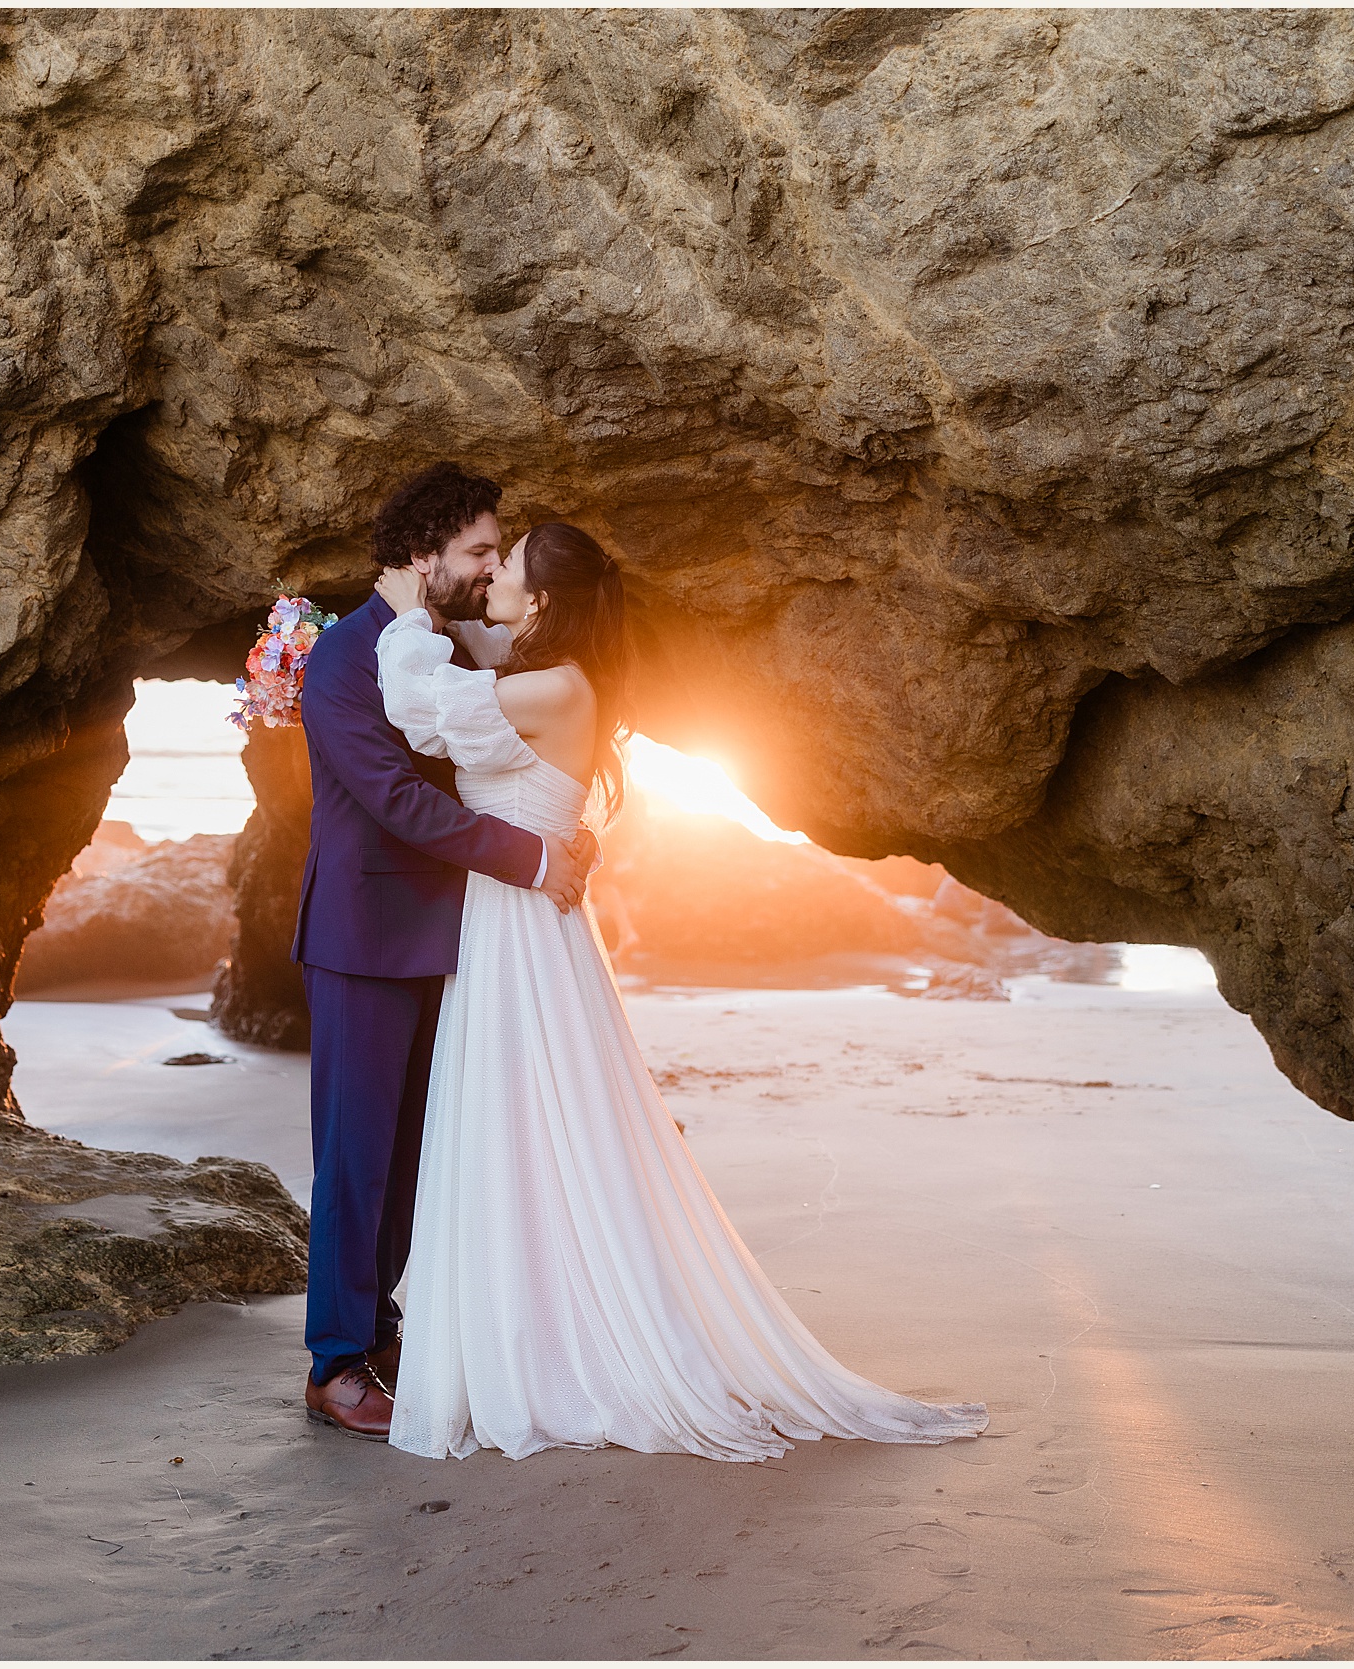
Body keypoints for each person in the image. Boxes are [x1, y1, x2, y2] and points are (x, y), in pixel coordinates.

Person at [370, 519, 989, 1460]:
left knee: (525, 1118)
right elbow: (484, 653)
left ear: (540, 601)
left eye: (512, 564)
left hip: (524, 928)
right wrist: (449, 612)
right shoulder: (551, 671)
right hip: (521, 917)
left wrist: (407, 614)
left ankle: (547, 1348)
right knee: (528, 1122)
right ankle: (534, 1324)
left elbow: (420, 704)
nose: (493, 573)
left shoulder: (549, 686)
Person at [292, 463, 596, 1439]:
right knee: (353, 1156)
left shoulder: (447, 646)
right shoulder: (343, 659)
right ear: (423, 552)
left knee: (409, 1154)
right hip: (363, 934)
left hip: (447, 935)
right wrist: (531, 853)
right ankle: (335, 1361)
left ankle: (378, 1327)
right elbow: (398, 800)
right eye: (473, 550)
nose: (482, 568)